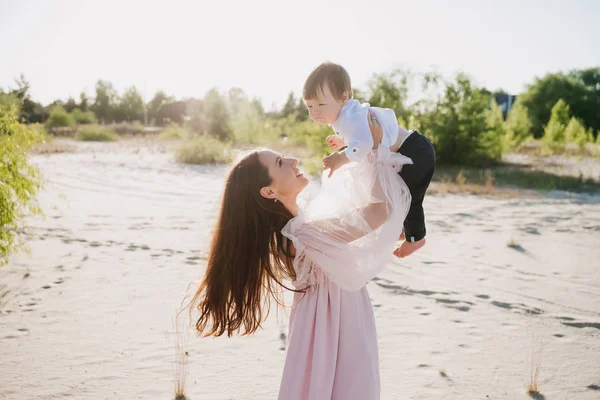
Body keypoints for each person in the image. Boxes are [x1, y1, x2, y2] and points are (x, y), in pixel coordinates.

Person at [188, 113, 412, 399]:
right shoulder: (303, 233)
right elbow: (378, 213)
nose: (293, 161)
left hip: (331, 324)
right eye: (281, 163)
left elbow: (364, 226)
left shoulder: (300, 224)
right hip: (332, 331)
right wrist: (375, 151)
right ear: (269, 191)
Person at [303, 61, 435, 258]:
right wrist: (343, 141)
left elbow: (364, 143)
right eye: (309, 106)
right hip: (409, 149)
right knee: (397, 194)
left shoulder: (349, 118)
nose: (315, 112)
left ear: (344, 97)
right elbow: (360, 135)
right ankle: (404, 228)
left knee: (411, 196)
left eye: (321, 104)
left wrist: (340, 157)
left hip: (414, 151)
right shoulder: (346, 113)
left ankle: (416, 238)